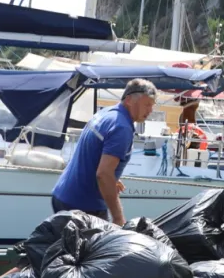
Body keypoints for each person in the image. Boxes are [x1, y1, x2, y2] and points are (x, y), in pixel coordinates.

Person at [50, 78, 157, 225]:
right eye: (147, 105)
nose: (150, 111)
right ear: (129, 100)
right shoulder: (121, 128)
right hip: (84, 207)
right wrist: (118, 217)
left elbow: (93, 152)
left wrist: (113, 178)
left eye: (152, 106)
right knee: (108, 239)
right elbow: (103, 174)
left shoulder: (106, 114)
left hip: (63, 196)